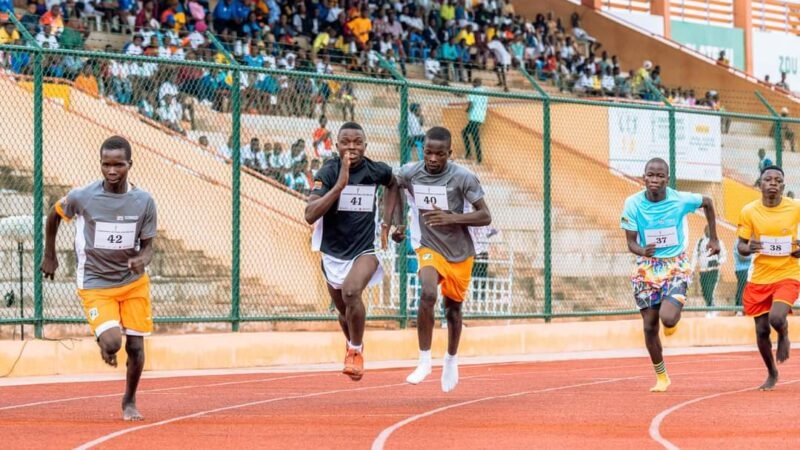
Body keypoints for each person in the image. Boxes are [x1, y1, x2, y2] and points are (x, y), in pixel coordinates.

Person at [40, 136, 157, 421]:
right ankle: (105, 340)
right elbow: (53, 216)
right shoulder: (83, 196)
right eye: (106, 164)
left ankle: (129, 401)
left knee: (136, 346)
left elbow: (149, 245)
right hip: (95, 282)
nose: (112, 171)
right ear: (101, 164)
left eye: (119, 165)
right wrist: (50, 255)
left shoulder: (144, 201)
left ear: (130, 164)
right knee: (113, 342)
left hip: (132, 283)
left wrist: (142, 259)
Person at [395, 126, 492, 393]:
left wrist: (452, 217)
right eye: (428, 152)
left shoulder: (464, 178)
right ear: (422, 150)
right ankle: (424, 359)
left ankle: (451, 359)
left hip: (460, 251)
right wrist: (396, 223)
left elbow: (485, 215)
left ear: (450, 153)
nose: (434, 159)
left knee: (453, 310)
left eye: (440, 154)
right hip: (429, 245)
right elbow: (393, 184)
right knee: (427, 293)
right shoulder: (411, 172)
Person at [304, 122, 400, 381]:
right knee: (344, 312)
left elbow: (394, 184)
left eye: (357, 142)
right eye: (346, 142)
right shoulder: (329, 170)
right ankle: (353, 345)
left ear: (365, 146)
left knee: (351, 292)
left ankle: (355, 351)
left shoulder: (374, 170)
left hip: (365, 249)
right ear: (337, 146)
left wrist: (389, 223)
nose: (352, 147)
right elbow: (310, 214)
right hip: (332, 252)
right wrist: (339, 186)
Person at [620, 157, 719, 392]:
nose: (654, 180)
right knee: (649, 327)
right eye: (650, 175)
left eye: (659, 176)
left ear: (667, 179)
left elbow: (707, 202)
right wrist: (642, 250)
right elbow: (631, 242)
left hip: (675, 265)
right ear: (643, 177)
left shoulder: (679, 199)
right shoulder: (632, 204)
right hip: (647, 267)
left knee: (668, 318)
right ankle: (662, 377)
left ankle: (671, 320)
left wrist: (714, 237)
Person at [736, 165, 800, 391]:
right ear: (760, 184)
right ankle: (772, 371)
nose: (773, 182)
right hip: (759, 275)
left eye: (777, 180)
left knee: (776, 318)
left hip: (787, 273)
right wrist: (748, 247)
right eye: (768, 179)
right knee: (762, 330)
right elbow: (741, 246)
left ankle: (783, 333)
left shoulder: (795, 208)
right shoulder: (749, 211)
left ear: (783, 186)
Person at [692, 225, 727, 317]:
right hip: (703, 270)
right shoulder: (699, 242)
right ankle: (712, 308)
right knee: (705, 290)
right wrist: (692, 268)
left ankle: (710, 310)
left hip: (713, 270)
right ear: (704, 231)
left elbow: (723, 256)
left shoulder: (718, 241)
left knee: (710, 290)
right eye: (707, 230)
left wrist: (718, 262)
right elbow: (695, 256)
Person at [462, 78, 487, 164]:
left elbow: (471, 103)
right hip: (481, 117)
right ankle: (469, 153)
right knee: (465, 132)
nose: (472, 84)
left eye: (473, 82)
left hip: (474, 117)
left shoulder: (473, 91)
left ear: (476, 83)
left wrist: (467, 110)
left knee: (474, 137)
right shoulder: (485, 91)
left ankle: (477, 158)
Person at [733, 236, 752, 314]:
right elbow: (742, 257)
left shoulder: (751, 240)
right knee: (742, 289)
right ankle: (739, 309)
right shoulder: (738, 242)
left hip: (751, 268)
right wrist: (754, 254)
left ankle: (748, 309)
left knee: (750, 290)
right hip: (742, 269)